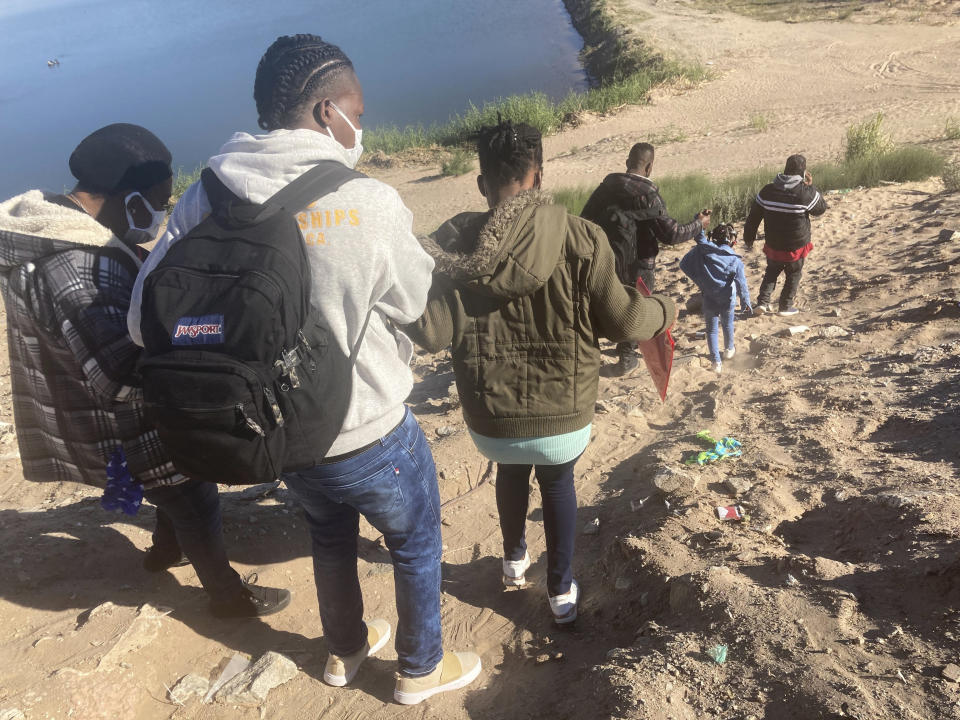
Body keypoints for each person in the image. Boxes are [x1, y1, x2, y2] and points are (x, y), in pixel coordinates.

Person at [127, 35, 480, 704]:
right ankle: (419, 668)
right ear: (326, 112)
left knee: (328, 537)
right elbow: (412, 302)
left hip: (278, 433)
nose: (361, 126)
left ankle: (345, 653)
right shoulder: (369, 202)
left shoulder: (207, 193)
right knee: (415, 542)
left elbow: (142, 315)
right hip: (370, 429)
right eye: (357, 110)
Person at [0, 124, 288, 618]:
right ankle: (225, 594)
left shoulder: (71, 230)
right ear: (128, 198)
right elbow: (117, 376)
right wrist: (200, 357)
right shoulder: (73, 266)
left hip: (106, 408)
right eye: (158, 201)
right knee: (193, 495)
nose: (162, 213)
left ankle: (164, 549)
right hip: (125, 418)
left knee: (167, 490)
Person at [405, 120, 676, 626]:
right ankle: (560, 591)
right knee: (557, 481)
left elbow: (434, 334)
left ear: (482, 183)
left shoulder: (454, 243)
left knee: (509, 470)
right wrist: (665, 307)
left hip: (492, 423)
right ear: (540, 175)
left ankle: (513, 561)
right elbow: (624, 323)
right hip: (564, 414)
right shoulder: (582, 236)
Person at [581, 142, 710, 376]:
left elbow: (584, 222)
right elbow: (671, 234)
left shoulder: (605, 189)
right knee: (634, 309)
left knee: (601, 305)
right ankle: (627, 357)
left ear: (627, 162)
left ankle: (592, 354)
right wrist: (698, 224)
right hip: (639, 266)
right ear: (649, 167)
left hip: (604, 262)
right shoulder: (649, 195)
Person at [743, 154, 827, 316]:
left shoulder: (768, 191)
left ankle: (763, 302)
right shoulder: (804, 193)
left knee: (772, 271)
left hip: (773, 244)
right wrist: (811, 186)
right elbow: (820, 208)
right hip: (795, 246)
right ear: (802, 173)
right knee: (793, 274)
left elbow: (753, 217)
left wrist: (749, 238)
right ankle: (785, 306)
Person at [679, 223, 751, 374]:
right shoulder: (735, 260)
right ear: (732, 240)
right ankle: (729, 350)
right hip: (727, 299)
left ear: (714, 238)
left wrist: (698, 221)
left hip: (709, 297)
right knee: (727, 324)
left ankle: (716, 362)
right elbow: (742, 285)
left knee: (711, 331)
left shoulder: (704, 252)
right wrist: (746, 304)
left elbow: (697, 243)